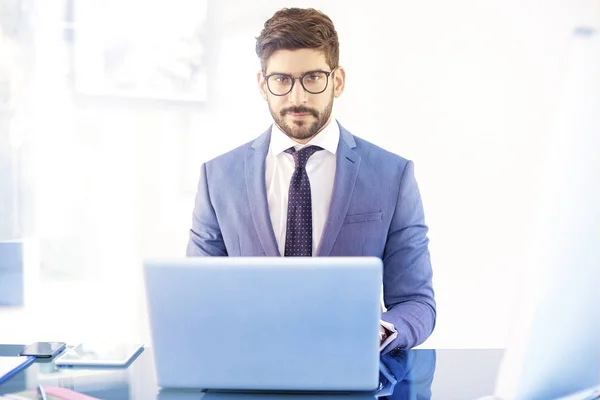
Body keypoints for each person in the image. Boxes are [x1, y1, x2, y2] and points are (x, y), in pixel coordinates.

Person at [186, 7, 435, 351]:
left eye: (313, 78)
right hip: (248, 371)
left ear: (338, 80)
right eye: (282, 80)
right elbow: (197, 296)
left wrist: (380, 331)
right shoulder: (218, 179)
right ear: (263, 85)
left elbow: (416, 302)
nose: (298, 97)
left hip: (351, 370)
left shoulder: (392, 176)